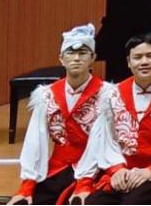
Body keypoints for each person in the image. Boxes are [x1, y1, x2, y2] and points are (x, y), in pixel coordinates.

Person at [70, 35, 151, 206]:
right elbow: (104, 139)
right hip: (124, 173)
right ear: (128, 62)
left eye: (150, 56)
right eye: (137, 57)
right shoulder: (113, 94)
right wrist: (116, 169)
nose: (144, 62)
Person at [12, 24, 113, 205]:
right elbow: (35, 139)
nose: (76, 58)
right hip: (57, 169)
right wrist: (27, 185)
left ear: (93, 57)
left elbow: (106, 141)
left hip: (97, 168)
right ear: (61, 58)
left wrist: (85, 182)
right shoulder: (46, 95)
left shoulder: (107, 95)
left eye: (83, 53)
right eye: (70, 53)